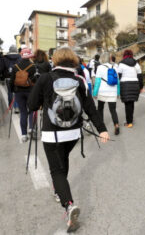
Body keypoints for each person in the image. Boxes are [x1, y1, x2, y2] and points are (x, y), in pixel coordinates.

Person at [27, 47, 110, 232]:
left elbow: (31, 105)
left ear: (54, 60)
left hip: (52, 133)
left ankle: (68, 204)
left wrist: (42, 99)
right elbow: (90, 107)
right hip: (73, 133)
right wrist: (102, 130)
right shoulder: (79, 80)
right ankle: (59, 191)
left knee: (56, 169)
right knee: (62, 159)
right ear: (73, 61)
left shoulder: (45, 78)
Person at [9, 48, 37, 142]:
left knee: (23, 112)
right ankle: (31, 129)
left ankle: (24, 135)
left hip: (19, 92)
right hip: (30, 91)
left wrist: (13, 90)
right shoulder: (33, 66)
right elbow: (35, 81)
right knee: (31, 111)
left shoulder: (15, 66)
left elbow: (12, 81)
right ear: (29, 56)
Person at [93, 53, 120, 135]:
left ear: (102, 59)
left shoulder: (100, 68)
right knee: (113, 110)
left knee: (100, 109)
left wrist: (94, 93)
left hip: (102, 92)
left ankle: (102, 127)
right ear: (110, 59)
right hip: (113, 92)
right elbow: (118, 82)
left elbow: (97, 82)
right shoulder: (115, 67)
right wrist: (118, 93)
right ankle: (116, 125)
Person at [117, 50, 143, 128]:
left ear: (124, 55)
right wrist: (141, 87)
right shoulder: (136, 64)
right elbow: (140, 76)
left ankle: (129, 122)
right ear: (132, 55)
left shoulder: (121, 64)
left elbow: (119, 76)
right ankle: (130, 120)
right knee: (131, 103)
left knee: (127, 104)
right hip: (135, 85)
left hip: (125, 85)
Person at [4, 45, 21, 113]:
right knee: (16, 92)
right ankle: (16, 107)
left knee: (10, 92)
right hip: (17, 77)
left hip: (8, 77)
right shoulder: (19, 57)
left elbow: (2, 67)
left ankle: (10, 106)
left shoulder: (5, 57)